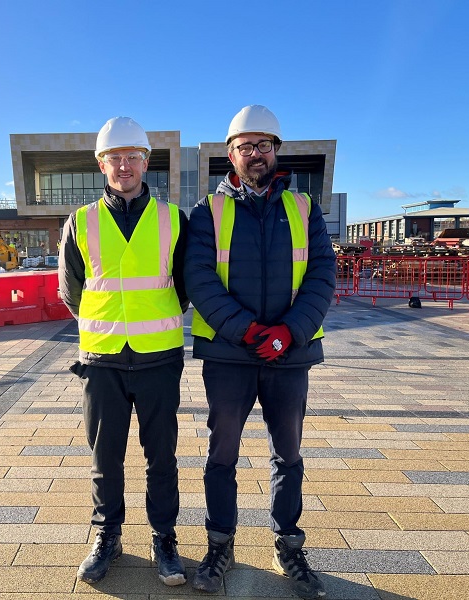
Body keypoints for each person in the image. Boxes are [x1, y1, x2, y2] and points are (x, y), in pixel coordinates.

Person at [184, 105, 336, 598]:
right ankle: (219, 545)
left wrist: (289, 332)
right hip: (230, 355)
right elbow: (199, 278)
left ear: (276, 151)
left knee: (288, 454)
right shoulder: (208, 212)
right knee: (222, 454)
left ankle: (288, 545)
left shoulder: (305, 209)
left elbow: (322, 276)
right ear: (230, 155)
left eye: (263, 145)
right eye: (245, 146)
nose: (255, 154)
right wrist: (249, 332)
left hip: (289, 356)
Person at [58, 117, 190, 586]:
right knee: (105, 457)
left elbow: (185, 287)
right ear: (101, 164)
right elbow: (72, 291)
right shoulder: (81, 221)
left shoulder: (174, 219)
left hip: (159, 357)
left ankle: (164, 538)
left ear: (146, 162)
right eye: (115, 157)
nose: (124, 165)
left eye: (133, 156)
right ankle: (107, 535)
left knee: (162, 458)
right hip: (102, 360)